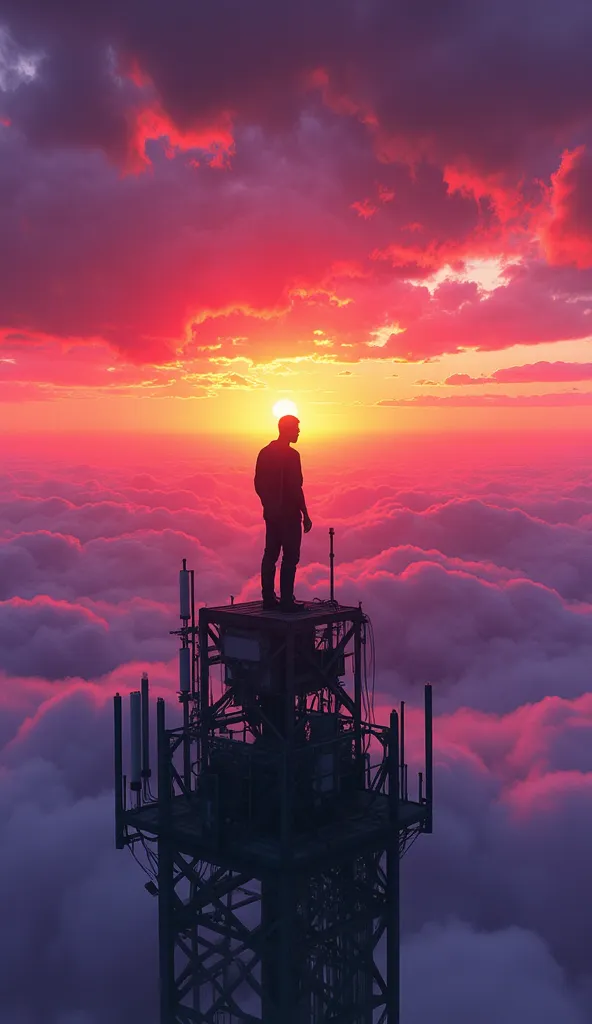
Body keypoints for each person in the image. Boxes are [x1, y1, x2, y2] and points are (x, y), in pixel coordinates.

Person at [254, 414, 313, 611]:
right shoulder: (292, 455)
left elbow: (258, 484)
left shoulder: (265, 453)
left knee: (270, 555)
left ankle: (268, 599)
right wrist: (305, 514)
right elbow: (296, 487)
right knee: (290, 557)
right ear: (286, 429)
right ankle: (286, 600)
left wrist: (268, 505)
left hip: (272, 515)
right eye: (296, 428)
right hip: (288, 515)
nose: (298, 432)